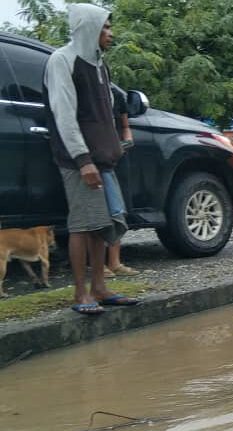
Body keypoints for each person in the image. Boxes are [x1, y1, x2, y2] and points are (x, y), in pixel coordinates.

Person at [44, 3, 141, 315]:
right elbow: (65, 115)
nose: (110, 34)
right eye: (105, 28)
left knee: (102, 225)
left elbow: (107, 112)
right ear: (88, 28)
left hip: (103, 159)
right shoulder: (62, 61)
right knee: (82, 225)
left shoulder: (100, 64)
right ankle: (79, 293)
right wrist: (83, 160)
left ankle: (100, 288)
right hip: (78, 161)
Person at [104, 87, 139, 277]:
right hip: (98, 157)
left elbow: (125, 126)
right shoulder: (89, 93)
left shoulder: (116, 95)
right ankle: (97, 263)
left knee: (118, 210)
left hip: (118, 156)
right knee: (99, 211)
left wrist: (127, 140)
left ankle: (115, 262)